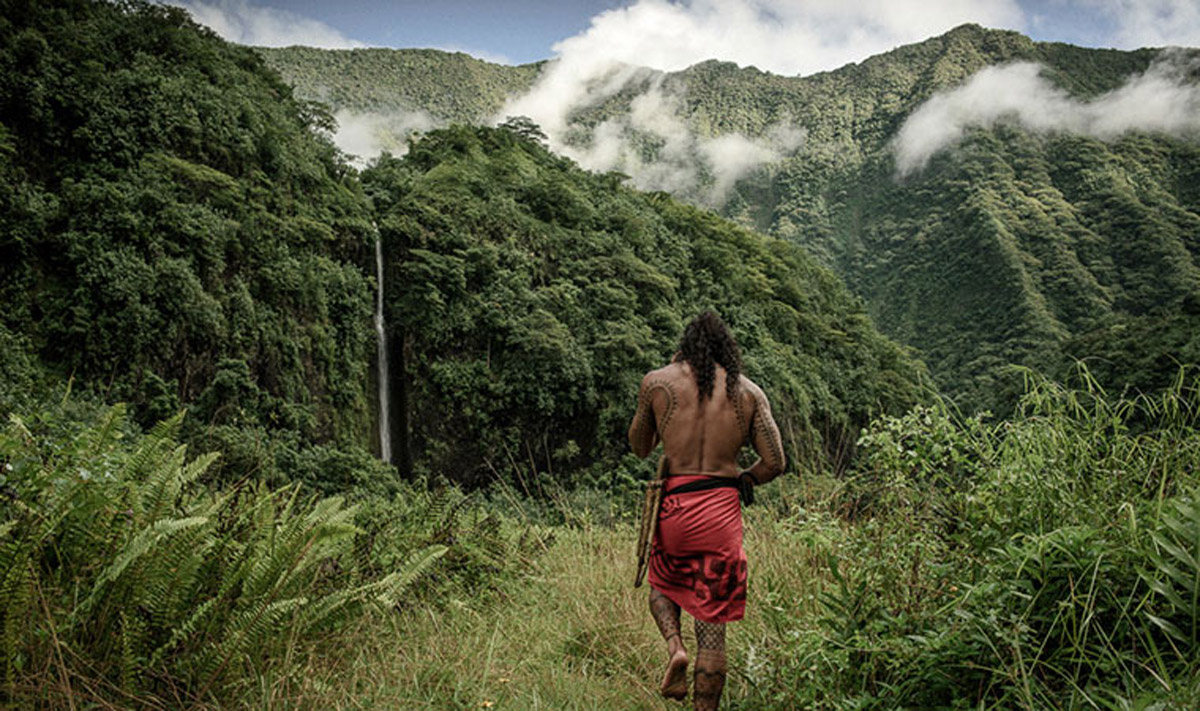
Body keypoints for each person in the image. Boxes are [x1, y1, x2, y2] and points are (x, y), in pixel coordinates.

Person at [628, 310, 786, 710]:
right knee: (713, 631)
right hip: (720, 513)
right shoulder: (749, 393)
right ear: (727, 351)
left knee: (662, 587)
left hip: (676, 509)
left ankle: (675, 647)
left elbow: (640, 446)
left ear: (686, 346)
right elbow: (775, 462)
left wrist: (652, 411)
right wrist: (745, 480)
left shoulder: (657, 383)